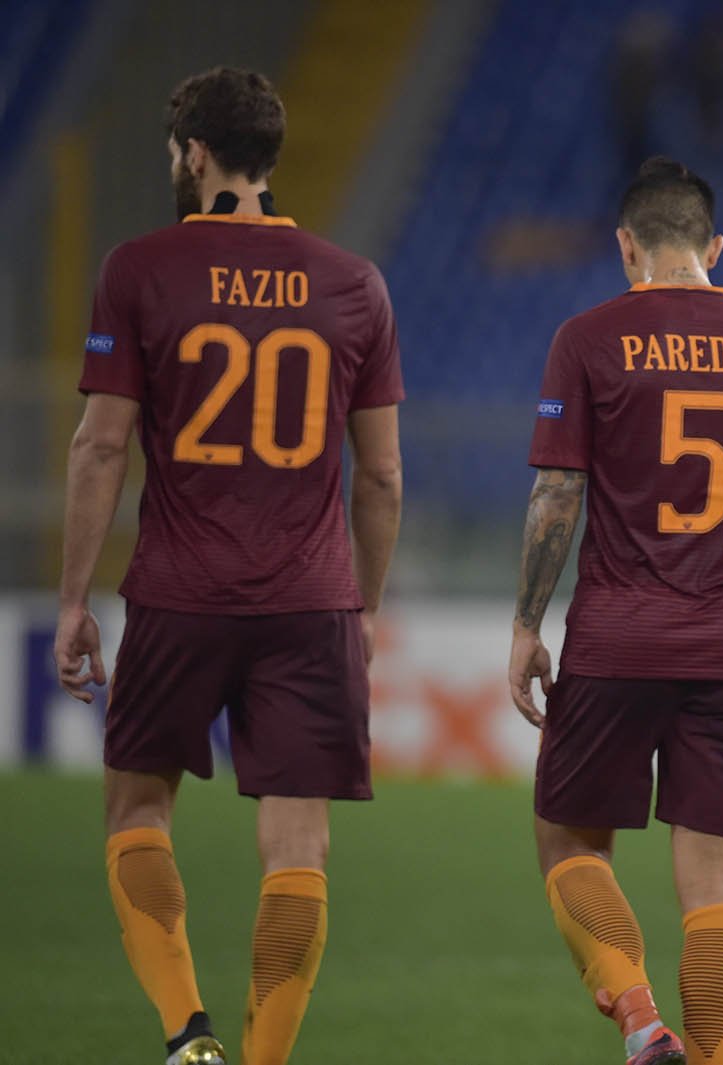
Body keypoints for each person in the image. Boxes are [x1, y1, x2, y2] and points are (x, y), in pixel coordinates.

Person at [53, 67, 404, 1065]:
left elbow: (99, 446)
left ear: (198, 154)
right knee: (299, 845)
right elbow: (381, 478)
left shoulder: (140, 269)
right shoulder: (354, 283)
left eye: (176, 151)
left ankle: (186, 1031)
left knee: (136, 808)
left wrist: (74, 599)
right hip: (310, 602)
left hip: (178, 590)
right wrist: (363, 611)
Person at [509, 156, 723, 1065]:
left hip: (616, 638)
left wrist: (526, 624)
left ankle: (640, 1020)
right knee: (718, 884)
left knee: (567, 839)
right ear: (715, 249)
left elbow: (557, 494)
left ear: (626, 245)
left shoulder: (588, 339)